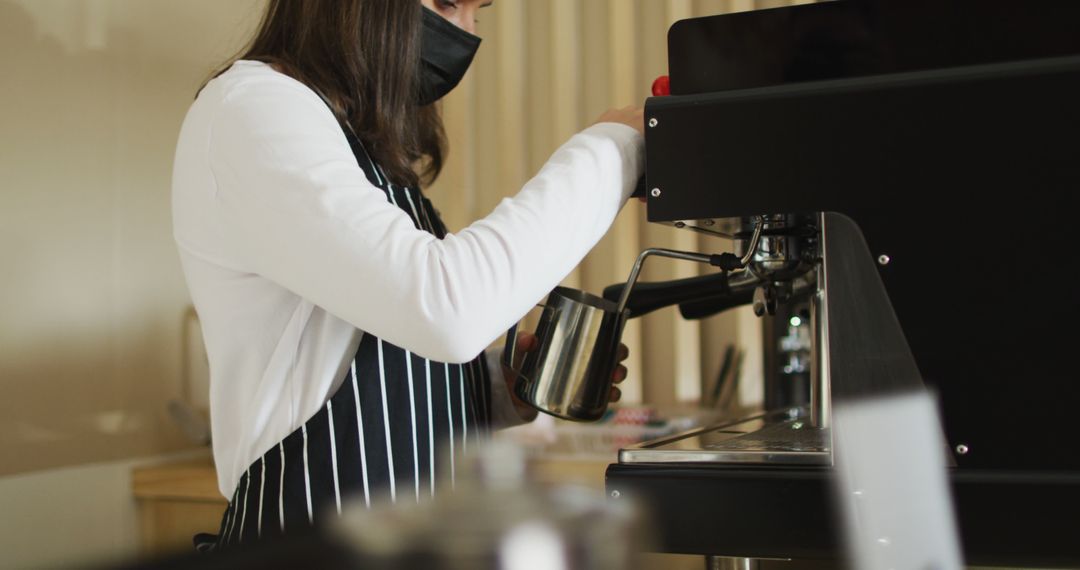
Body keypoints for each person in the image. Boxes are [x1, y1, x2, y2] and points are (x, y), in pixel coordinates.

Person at [172, 0, 643, 549]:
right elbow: (446, 306)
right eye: (447, 3)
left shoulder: (349, 143)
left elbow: (369, 348)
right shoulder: (253, 107)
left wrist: (496, 390)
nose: (465, 33)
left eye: (476, 14)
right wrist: (611, 149)